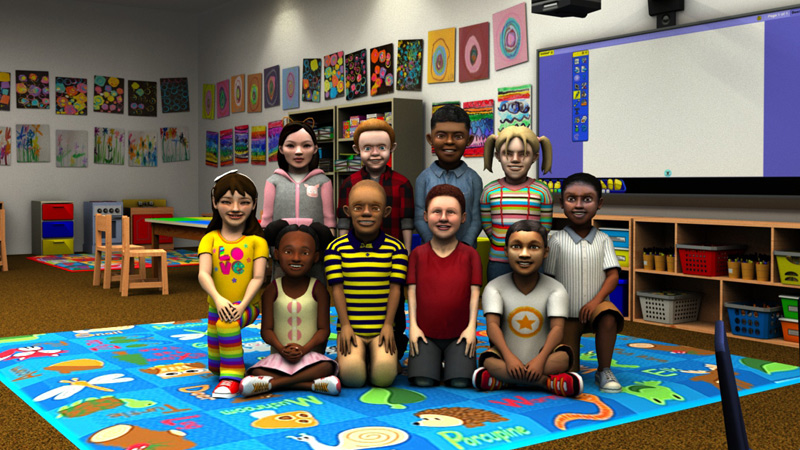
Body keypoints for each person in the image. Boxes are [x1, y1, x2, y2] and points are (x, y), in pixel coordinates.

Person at [472, 220, 582, 397]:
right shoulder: (494, 287)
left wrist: (539, 360)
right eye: (516, 246)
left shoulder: (556, 289)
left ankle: (503, 380)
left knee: (564, 358)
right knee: (489, 361)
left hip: (544, 358)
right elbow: (492, 326)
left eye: (534, 247)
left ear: (546, 252)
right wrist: (509, 358)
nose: (524, 254)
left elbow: (557, 328)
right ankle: (546, 383)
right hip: (506, 356)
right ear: (506, 251)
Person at [336, 119, 414, 361]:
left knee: (394, 298)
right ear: (356, 151)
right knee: (354, 296)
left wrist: (406, 254)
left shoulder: (402, 183)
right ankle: (351, 342)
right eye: (367, 148)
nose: (375, 153)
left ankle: (392, 341)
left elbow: (406, 223)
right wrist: (342, 252)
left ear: (393, 148)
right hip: (355, 256)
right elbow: (341, 222)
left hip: (390, 256)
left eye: (381, 147)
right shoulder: (348, 183)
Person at [542, 172, 623, 393]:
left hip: (597, 310)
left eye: (587, 199)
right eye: (571, 199)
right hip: (566, 314)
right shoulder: (555, 240)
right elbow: (547, 279)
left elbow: (613, 275)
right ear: (562, 203)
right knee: (571, 374)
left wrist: (596, 302)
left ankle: (604, 369)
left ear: (599, 204)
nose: (579, 205)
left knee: (609, 317)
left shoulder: (604, 240)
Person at [239, 220, 340, 397]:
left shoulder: (318, 289)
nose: (296, 258)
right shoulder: (272, 290)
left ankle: (274, 384)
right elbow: (267, 330)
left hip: (310, 357)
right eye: (288, 251)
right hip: (280, 357)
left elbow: (324, 330)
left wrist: (304, 349)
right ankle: (310, 385)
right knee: (255, 371)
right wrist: (282, 348)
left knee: (327, 366)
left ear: (316, 257)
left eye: (305, 252)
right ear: (277, 253)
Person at [325, 180, 407, 388]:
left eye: (375, 208)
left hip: (382, 329)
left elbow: (396, 289)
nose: (366, 213)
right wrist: (344, 326)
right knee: (353, 378)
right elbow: (337, 289)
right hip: (352, 328)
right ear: (348, 211)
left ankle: (373, 358)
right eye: (358, 207)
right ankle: (358, 358)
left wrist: (388, 325)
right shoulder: (335, 249)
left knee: (384, 378)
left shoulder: (396, 248)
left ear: (386, 212)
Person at [198, 170, 268, 398]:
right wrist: (218, 300)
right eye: (227, 202)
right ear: (215, 203)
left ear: (254, 204)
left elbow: (258, 278)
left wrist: (241, 306)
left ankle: (233, 377)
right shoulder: (209, 238)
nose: (235, 208)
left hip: (246, 305)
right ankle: (224, 369)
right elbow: (203, 274)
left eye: (244, 202)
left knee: (227, 324)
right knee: (214, 365)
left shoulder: (257, 241)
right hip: (215, 305)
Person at [407, 184, 481, 388]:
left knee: (460, 382)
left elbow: (475, 295)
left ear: (463, 217)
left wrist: (471, 328)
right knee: (422, 381)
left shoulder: (470, 255)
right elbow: (411, 294)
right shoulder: (417, 255)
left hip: (460, 335)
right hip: (425, 333)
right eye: (436, 212)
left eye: (451, 212)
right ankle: (432, 362)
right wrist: (413, 327)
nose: (443, 218)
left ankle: (450, 363)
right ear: (425, 216)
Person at [260, 119, 335, 282]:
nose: (298, 151)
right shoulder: (273, 181)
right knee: (280, 293)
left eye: (306, 145)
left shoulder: (323, 181)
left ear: (315, 149)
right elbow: (266, 219)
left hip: (315, 249)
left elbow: (329, 220)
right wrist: (266, 251)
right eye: (291, 145)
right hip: (281, 249)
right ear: (281, 149)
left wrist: (328, 250)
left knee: (316, 291)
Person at [481, 126, 553, 282]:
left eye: (523, 154)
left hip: (532, 261)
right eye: (508, 153)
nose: (515, 159)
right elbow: (487, 225)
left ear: (534, 157)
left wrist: (530, 245)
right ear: (497, 156)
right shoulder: (489, 191)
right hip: (498, 260)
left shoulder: (542, 191)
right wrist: (501, 243)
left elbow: (545, 227)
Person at [414, 105, 483, 248]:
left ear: (469, 140)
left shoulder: (474, 179)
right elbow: (420, 218)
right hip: (430, 254)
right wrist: (432, 244)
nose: (449, 141)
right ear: (430, 138)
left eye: (458, 136)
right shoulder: (423, 178)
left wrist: (465, 245)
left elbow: (476, 219)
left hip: (465, 254)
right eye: (441, 135)